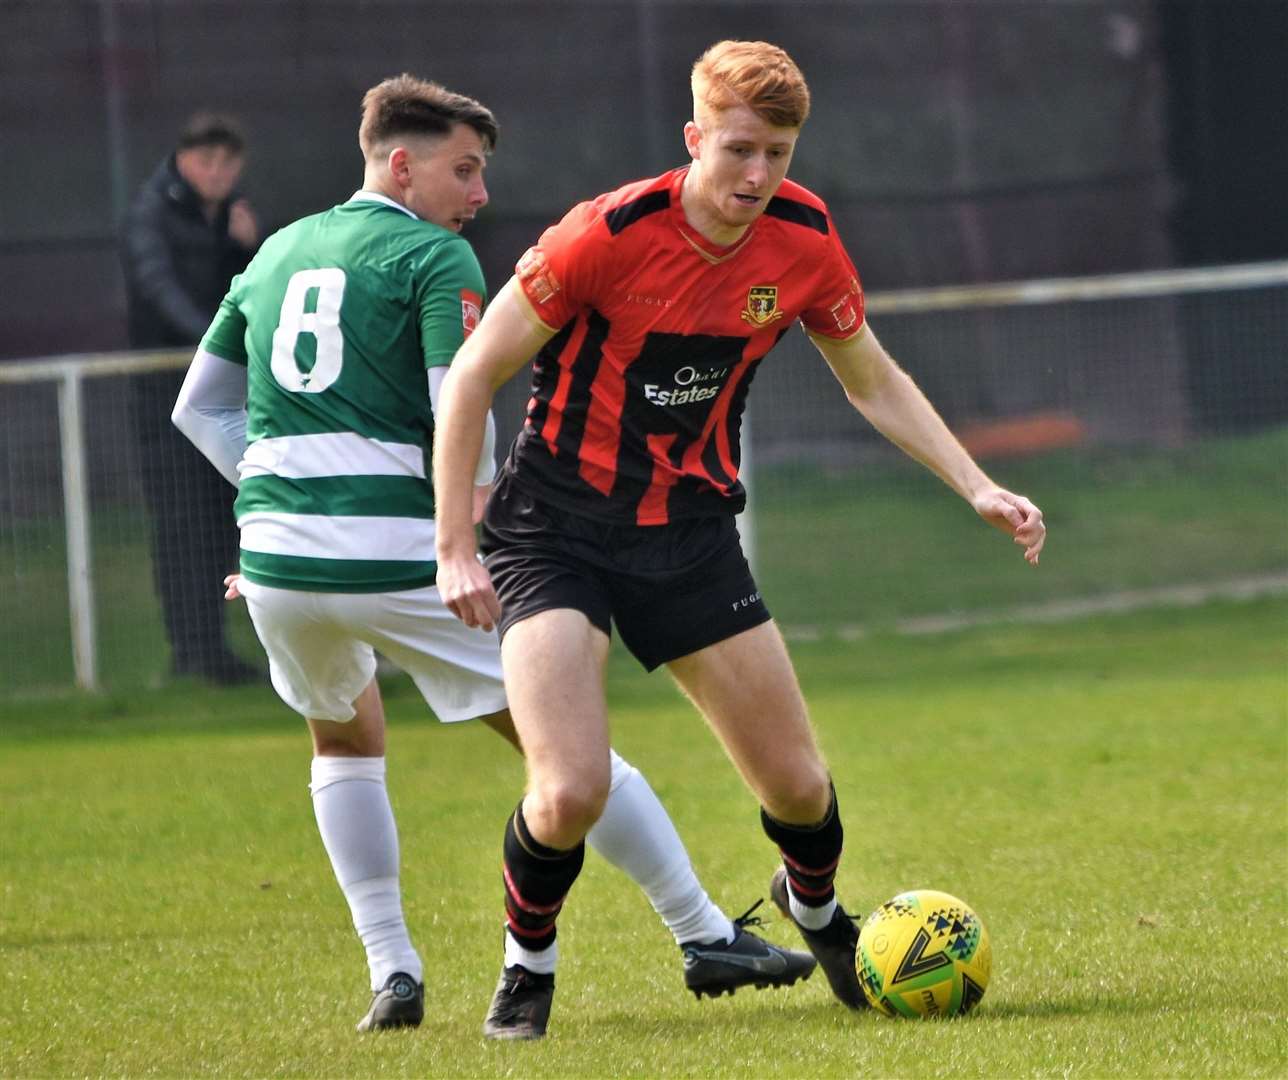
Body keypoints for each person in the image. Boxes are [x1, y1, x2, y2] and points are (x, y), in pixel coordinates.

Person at [171, 74, 815, 1034]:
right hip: (410, 558)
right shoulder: (436, 257)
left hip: (278, 564)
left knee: (345, 742)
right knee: (567, 758)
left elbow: (198, 407)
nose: (477, 195)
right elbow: (456, 404)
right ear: (401, 164)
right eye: (463, 170)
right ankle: (703, 932)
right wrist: (463, 542)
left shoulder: (271, 251)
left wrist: (276, 520)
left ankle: (393, 970)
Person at [432, 39, 1048, 1040]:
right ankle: (526, 964)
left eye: (779, 151)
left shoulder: (802, 239)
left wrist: (974, 483)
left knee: (801, 788)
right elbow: (471, 375)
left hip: (686, 534)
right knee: (570, 787)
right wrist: (454, 543)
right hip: (554, 534)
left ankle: (814, 912)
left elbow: (873, 378)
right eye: (738, 150)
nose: (758, 175)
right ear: (693, 139)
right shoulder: (605, 234)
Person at [121, 111, 262, 684]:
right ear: (183, 161)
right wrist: (217, 342)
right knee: (180, 526)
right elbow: (157, 289)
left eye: (229, 162)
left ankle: (215, 652)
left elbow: (250, 285)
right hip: (166, 396)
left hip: (221, 394)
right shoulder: (149, 214)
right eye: (207, 161)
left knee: (220, 521)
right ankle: (191, 653)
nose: (218, 173)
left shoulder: (235, 216)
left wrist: (243, 248)